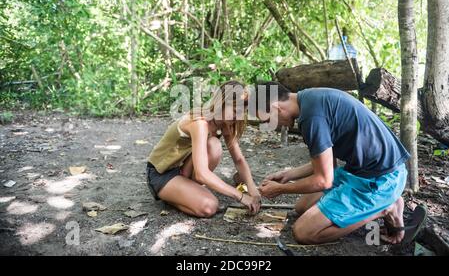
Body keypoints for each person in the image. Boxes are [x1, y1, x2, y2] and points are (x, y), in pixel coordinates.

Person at [256, 81, 427, 245]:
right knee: (302, 208)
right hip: (360, 172)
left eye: (267, 119)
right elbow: (328, 165)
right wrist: (288, 175)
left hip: (381, 180)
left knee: (303, 232)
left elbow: (323, 180)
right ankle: (380, 204)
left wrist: (281, 189)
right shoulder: (308, 99)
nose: (272, 125)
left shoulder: (311, 118)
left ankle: (385, 208)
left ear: (275, 107)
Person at [146, 80, 261, 218]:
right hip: (161, 174)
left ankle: (188, 191)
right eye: (236, 111)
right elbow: (202, 174)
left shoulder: (225, 124)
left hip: (183, 171)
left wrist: (253, 190)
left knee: (214, 145)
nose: (238, 117)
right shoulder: (200, 122)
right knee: (209, 206)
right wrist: (241, 196)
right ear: (221, 104)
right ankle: (172, 197)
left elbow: (239, 159)